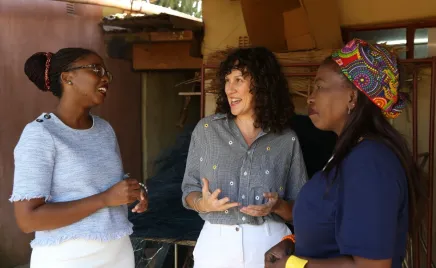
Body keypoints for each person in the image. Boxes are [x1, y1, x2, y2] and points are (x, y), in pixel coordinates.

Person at [265, 38, 425, 268]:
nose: (310, 97)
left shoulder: (371, 162)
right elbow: (332, 226)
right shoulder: (350, 154)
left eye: (320, 87)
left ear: (352, 97)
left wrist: (293, 265)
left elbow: (371, 266)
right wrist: (290, 243)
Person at [10, 48, 148, 268]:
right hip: (68, 258)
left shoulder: (104, 129)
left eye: (107, 73)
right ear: (67, 77)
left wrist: (132, 191)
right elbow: (27, 220)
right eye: (96, 69)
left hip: (118, 253)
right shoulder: (41, 134)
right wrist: (105, 199)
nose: (105, 78)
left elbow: (105, 188)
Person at [181, 47, 308, 268]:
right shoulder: (207, 130)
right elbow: (188, 190)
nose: (230, 89)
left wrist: (277, 206)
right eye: (227, 80)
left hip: (271, 248)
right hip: (216, 249)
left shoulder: (286, 140)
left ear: (262, 85)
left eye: (238, 80)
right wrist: (203, 203)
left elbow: (302, 210)